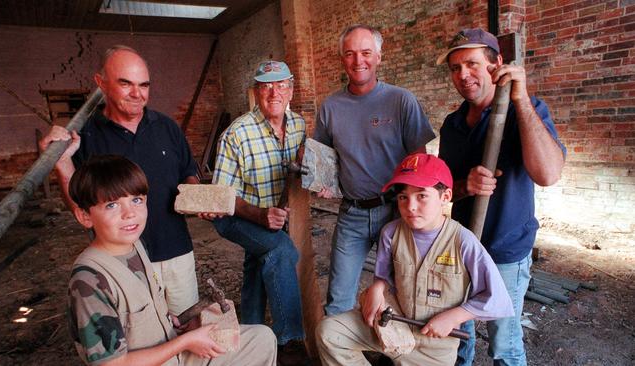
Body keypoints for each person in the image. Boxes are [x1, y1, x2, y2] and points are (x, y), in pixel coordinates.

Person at [66, 155, 276, 366]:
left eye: (136, 200)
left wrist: (171, 323)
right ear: (84, 216)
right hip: (160, 358)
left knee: (262, 339)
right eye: (112, 205)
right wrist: (186, 342)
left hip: (172, 352)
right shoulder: (90, 280)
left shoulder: (135, 246)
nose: (130, 214)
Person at [437, 28, 566, 366]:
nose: (463, 75)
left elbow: (549, 174)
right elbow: (445, 190)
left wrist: (521, 100)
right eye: (454, 68)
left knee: (504, 347)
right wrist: (466, 185)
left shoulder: (528, 110)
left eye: (472, 64)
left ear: (495, 65)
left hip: (507, 251)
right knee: (456, 339)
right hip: (464, 246)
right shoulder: (452, 125)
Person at [39, 45, 200, 316]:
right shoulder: (86, 138)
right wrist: (63, 163)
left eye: (144, 85)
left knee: (188, 325)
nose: (137, 94)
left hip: (176, 252)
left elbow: (188, 172)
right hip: (122, 260)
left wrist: (198, 196)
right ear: (101, 83)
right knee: (144, 337)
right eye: (125, 84)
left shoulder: (167, 127)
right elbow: (80, 207)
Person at [316, 153, 513, 366]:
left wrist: (454, 317)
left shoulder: (463, 241)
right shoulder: (391, 233)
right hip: (393, 327)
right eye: (403, 197)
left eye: (421, 196)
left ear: (445, 197)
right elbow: (384, 276)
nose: (410, 206)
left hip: (433, 348)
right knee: (329, 332)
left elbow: (497, 299)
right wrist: (377, 288)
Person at [313, 24, 436, 316]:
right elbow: (324, 157)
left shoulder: (401, 100)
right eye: (350, 54)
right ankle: (341, 356)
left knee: (402, 292)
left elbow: (419, 162)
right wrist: (323, 182)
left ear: (379, 57)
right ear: (342, 59)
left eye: (366, 53)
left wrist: (416, 212)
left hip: (395, 211)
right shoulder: (330, 107)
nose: (359, 61)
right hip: (352, 214)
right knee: (338, 299)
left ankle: (394, 356)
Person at [205, 60, 305, 361]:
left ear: (291, 90)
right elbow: (222, 198)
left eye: (281, 85)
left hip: (273, 216)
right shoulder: (237, 134)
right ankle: (290, 341)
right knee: (281, 250)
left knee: (260, 259)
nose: (274, 93)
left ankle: (249, 333)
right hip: (235, 217)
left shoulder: (299, 125)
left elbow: (301, 169)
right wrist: (261, 215)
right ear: (256, 92)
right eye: (266, 87)